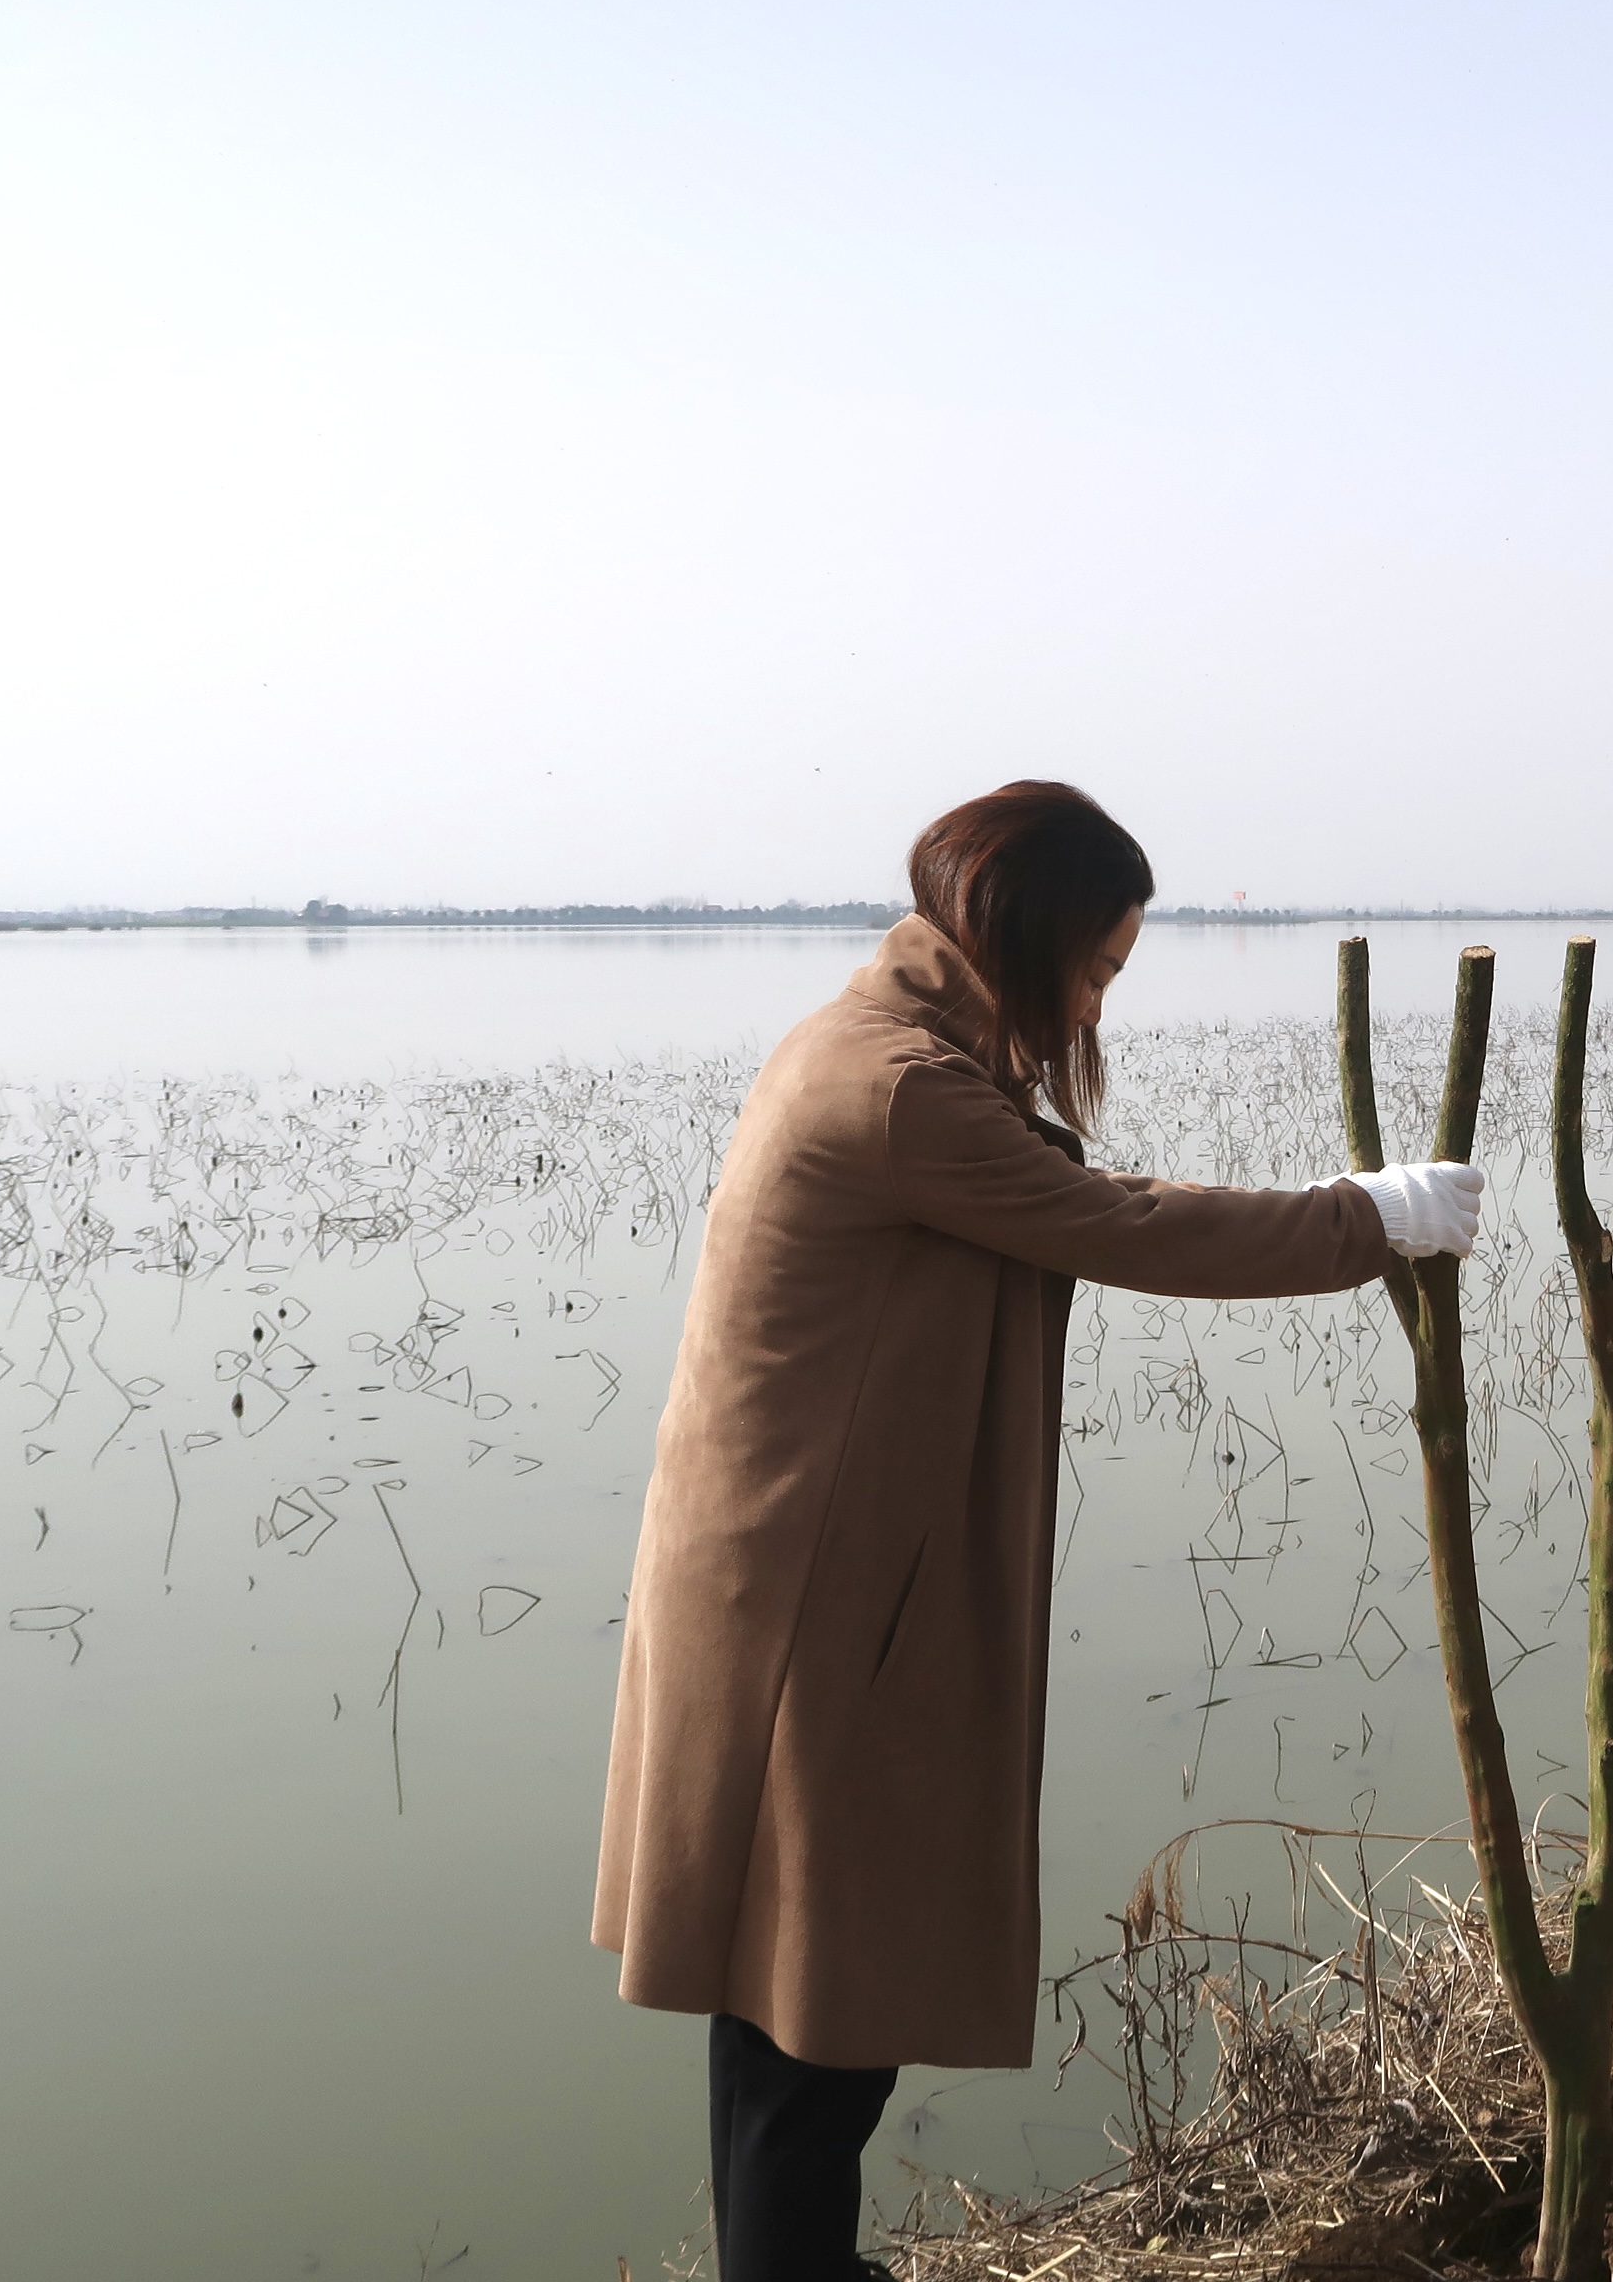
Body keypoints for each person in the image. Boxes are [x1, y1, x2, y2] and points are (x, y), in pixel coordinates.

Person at [594, 783, 1483, 2282]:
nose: (1097, 1000)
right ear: (1028, 942)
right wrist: (1363, 1221)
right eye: (1101, 966)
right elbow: (1122, 1225)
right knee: (815, 2024)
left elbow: (1065, 1193)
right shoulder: (897, 1089)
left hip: (802, 1588)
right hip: (811, 1622)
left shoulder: (895, 1049)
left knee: (793, 2013)